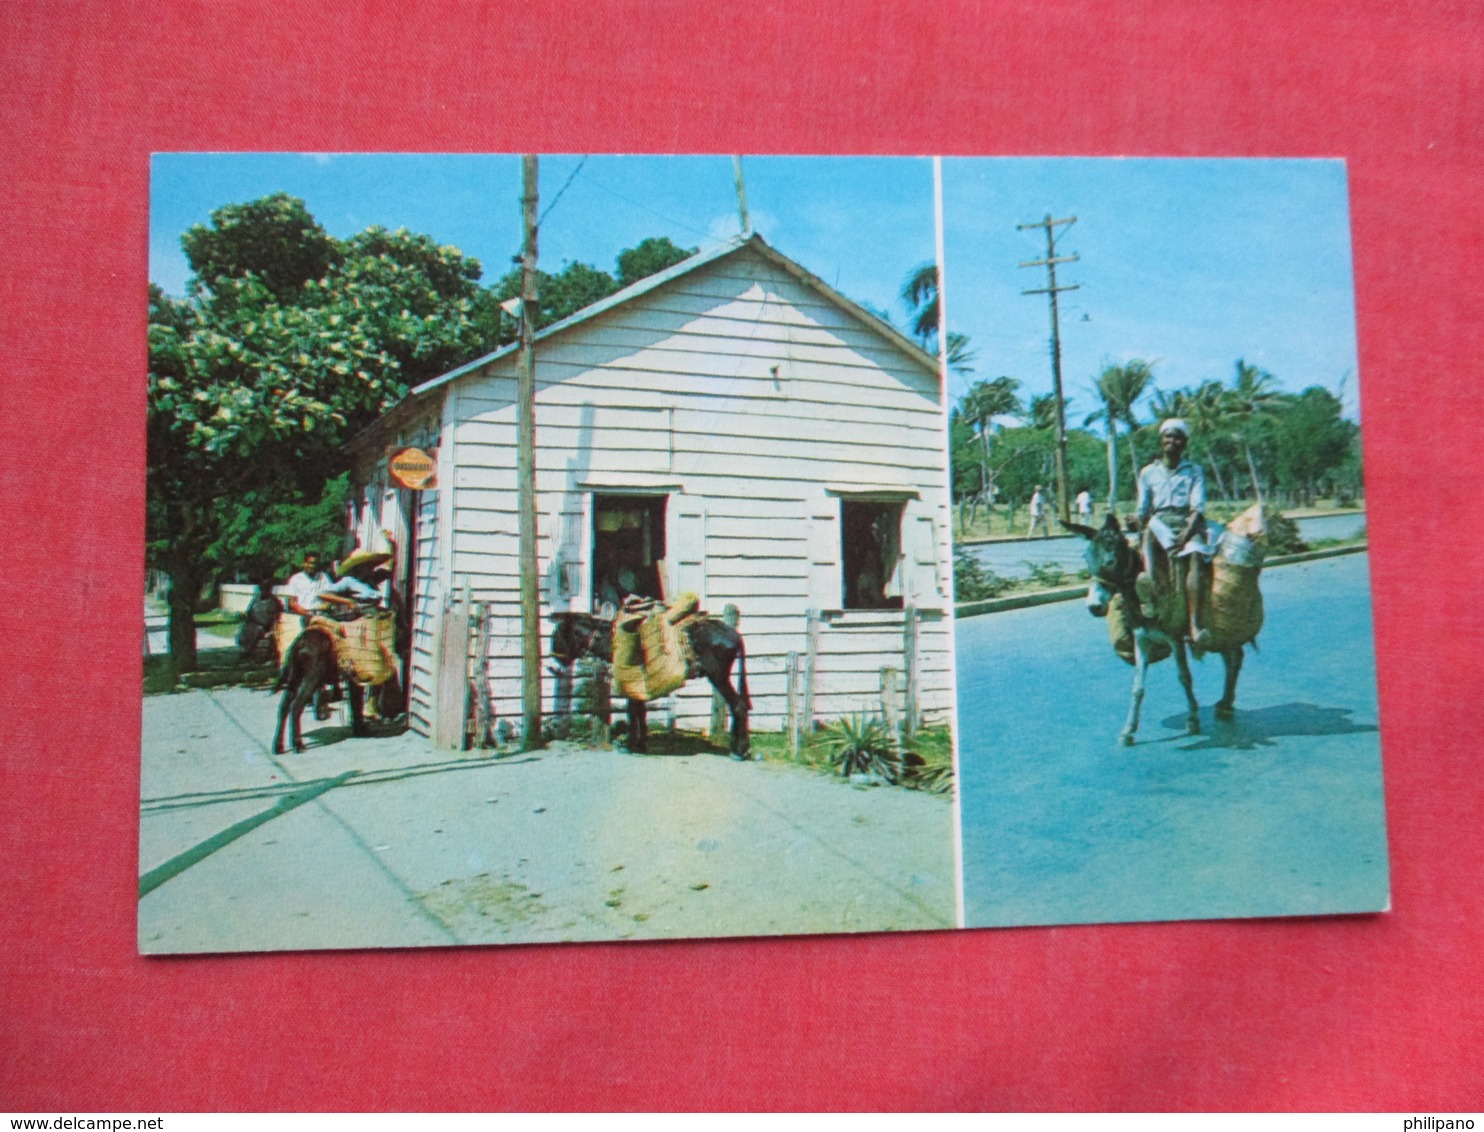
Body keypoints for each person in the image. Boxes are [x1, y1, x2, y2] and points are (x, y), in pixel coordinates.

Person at [1134, 418, 1213, 646]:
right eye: (1168, 436)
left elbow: (1198, 507)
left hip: (1187, 521)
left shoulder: (1195, 471)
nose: (1172, 441)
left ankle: (1195, 623)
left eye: (1177, 437)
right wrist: (1136, 520)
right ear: (1161, 441)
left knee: (1196, 557)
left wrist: (1186, 534)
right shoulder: (1148, 472)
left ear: (1184, 443)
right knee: (1148, 535)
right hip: (1159, 521)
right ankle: (1148, 594)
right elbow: (1143, 507)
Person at [284, 551, 329, 618]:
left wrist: (327, 605)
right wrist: (306, 614)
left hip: (321, 614)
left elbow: (332, 596)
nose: (312, 566)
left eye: (315, 564)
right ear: (304, 563)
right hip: (301, 615)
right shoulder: (295, 579)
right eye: (310, 563)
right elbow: (292, 603)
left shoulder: (324, 577)